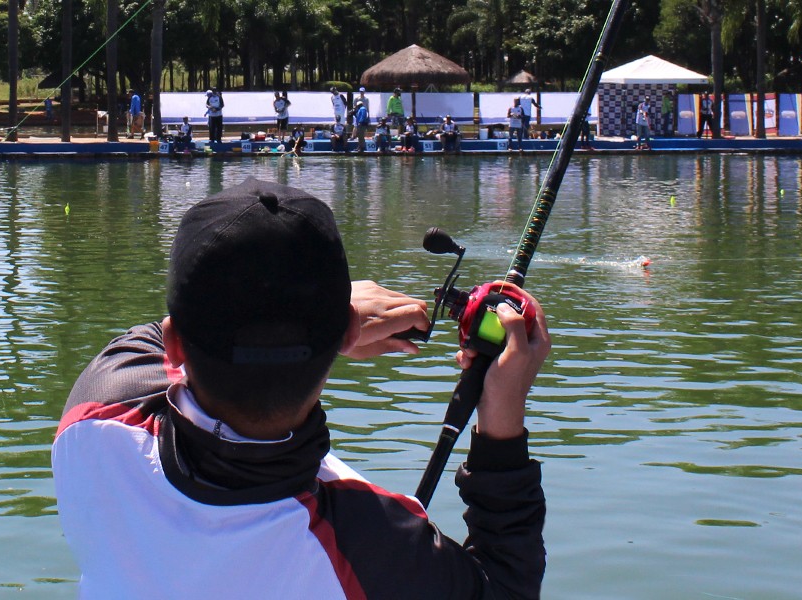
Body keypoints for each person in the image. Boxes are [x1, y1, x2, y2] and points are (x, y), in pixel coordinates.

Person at [54, 178, 550, 599]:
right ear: (350, 335)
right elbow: (504, 584)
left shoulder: (94, 418)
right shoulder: (372, 542)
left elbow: (150, 336)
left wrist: (327, 324)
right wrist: (501, 418)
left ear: (176, 346)